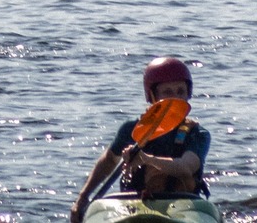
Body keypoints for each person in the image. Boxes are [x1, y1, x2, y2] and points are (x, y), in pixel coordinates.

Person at [71, 57, 210, 221]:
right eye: (167, 92)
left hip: (182, 209)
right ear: (152, 96)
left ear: (189, 94)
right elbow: (109, 161)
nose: (175, 99)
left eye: (181, 92)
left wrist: (146, 159)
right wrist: (83, 198)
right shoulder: (131, 130)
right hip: (134, 208)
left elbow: (185, 167)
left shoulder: (197, 134)